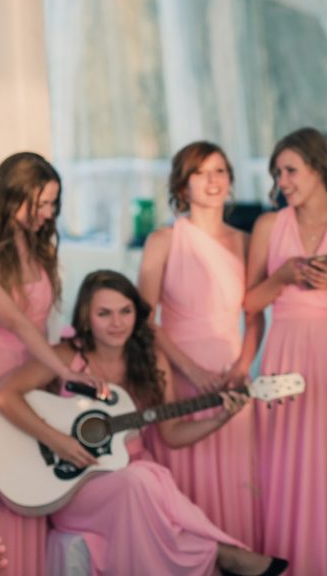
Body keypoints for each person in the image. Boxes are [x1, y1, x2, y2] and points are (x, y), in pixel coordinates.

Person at [0, 270, 288, 576]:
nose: (117, 323)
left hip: (136, 479)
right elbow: (3, 397)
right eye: (104, 313)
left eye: (125, 311)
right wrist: (58, 441)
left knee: (142, 479)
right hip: (74, 486)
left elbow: (172, 434)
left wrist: (222, 417)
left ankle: (217, 557)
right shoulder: (66, 357)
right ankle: (223, 556)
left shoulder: (151, 360)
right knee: (141, 480)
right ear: (86, 316)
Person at [245, 127, 327, 575]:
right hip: (284, 352)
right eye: (277, 173)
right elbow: (250, 302)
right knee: (285, 462)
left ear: (319, 168)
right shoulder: (268, 226)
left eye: (290, 170)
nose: (282, 181)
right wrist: (282, 275)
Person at [138, 141, 263, 546]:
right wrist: (190, 370)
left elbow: (254, 314)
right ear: (182, 184)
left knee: (235, 481)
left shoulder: (246, 242)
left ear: (230, 180)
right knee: (186, 485)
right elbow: (143, 320)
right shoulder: (162, 240)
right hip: (176, 375)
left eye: (220, 171)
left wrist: (241, 368)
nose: (212, 180)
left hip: (231, 378)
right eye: (200, 172)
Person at [0, 152, 98, 576]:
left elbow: (42, 322)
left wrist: (55, 374)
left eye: (53, 203)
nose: (48, 213)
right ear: (11, 194)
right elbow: (16, 321)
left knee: (29, 480)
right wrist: (64, 369)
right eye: (41, 203)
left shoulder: (39, 246)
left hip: (33, 374)